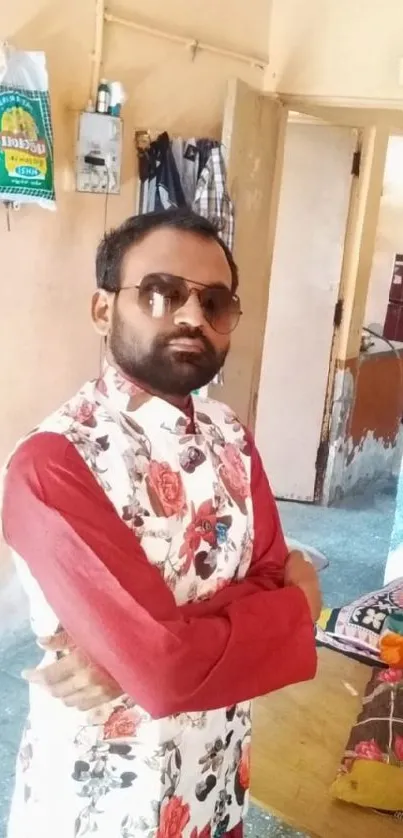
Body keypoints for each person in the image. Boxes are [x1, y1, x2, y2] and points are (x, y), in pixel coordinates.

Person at [1, 208, 321, 838]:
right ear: (102, 311)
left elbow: (267, 573)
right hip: (103, 803)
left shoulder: (231, 435)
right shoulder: (52, 463)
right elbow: (169, 670)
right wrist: (293, 608)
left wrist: (125, 653)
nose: (191, 317)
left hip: (220, 777)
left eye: (215, 303)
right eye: (160, 293)